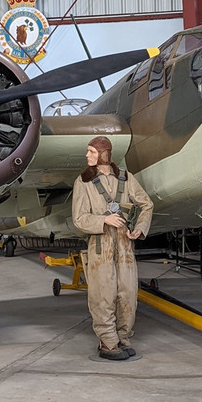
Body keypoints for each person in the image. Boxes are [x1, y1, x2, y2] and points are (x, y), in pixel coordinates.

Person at [71, 135, 154, 360]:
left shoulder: (126, 179)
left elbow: (146, 204)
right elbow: (78, 219)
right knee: (103, 296)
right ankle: (108, 342)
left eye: (92, 151)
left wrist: (139, 228)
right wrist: (103, 221)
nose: (87, 155)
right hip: (100, 247)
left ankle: (123, 338)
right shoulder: (84, 182)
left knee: (128, 294)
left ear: (104, 154)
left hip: (125, 246)